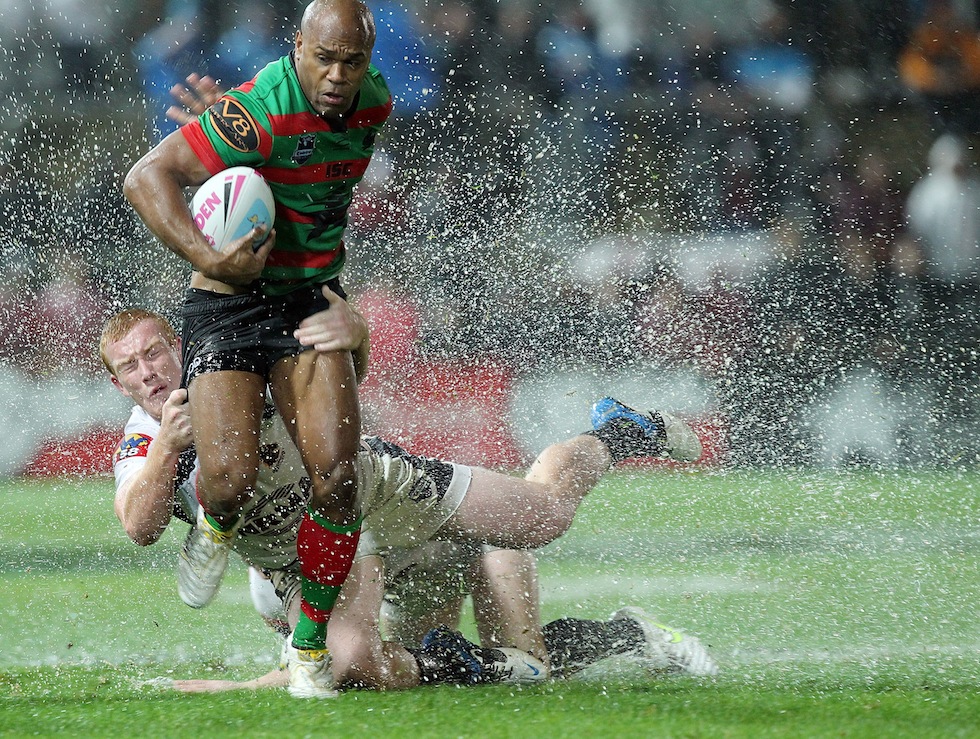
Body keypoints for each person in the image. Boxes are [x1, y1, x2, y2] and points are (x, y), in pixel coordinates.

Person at [101, 307, 715, 694]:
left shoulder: (235, 370)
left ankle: (620, 432)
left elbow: (339, 371)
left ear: (180, 346)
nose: (148, 372)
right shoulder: (143, 442)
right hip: (331, 552)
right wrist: (168, 450)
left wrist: (356, 334)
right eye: (130, 366)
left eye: (155, 353)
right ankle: (614, 637)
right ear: (118, 383)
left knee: (544, 516)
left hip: (377, 491)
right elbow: (138, 525)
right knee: (378, 665)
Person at [123, 0, 392, 697]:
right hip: (230, 299)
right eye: (323, 59)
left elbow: (302, 172)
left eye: (352, 61)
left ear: (368, 61)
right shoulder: (258, 112)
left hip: (309, 297)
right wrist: (209, 254)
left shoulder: (375, 103)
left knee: (339, 475)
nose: (337, 76)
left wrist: (240, 158)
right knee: (230, 478)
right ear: (296, 47)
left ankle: (309, 650)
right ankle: (215, 523)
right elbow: (144, 177)